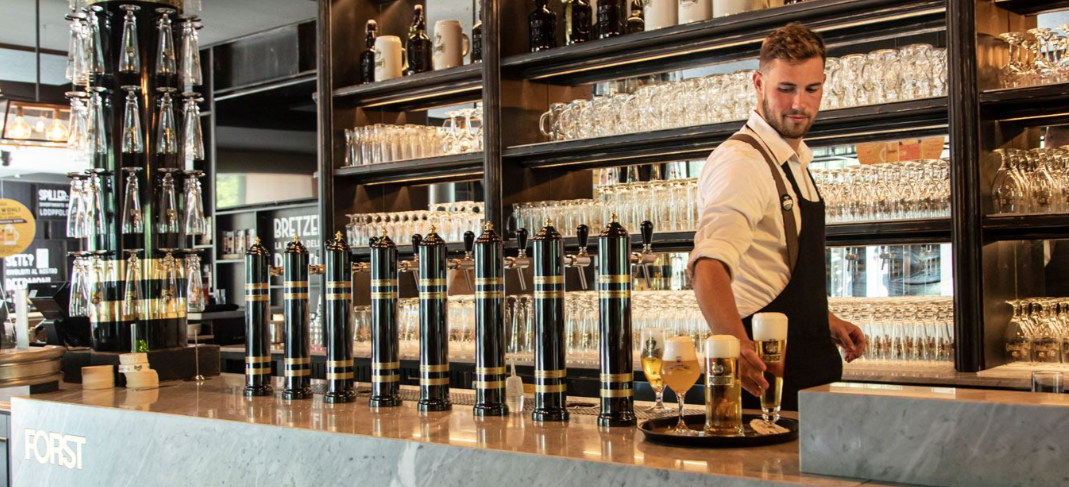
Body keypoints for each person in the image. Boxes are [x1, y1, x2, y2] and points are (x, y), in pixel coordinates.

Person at [689, 23, 866, 411]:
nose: (799, 104)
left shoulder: (792, 159)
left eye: (811, 89)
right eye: (785, 89)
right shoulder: (744, 163)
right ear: (758, 82)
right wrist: (735, 347)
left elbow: (771, 269)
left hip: (809, 381)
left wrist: (824, 319)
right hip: (767, 390)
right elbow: (707, 266)